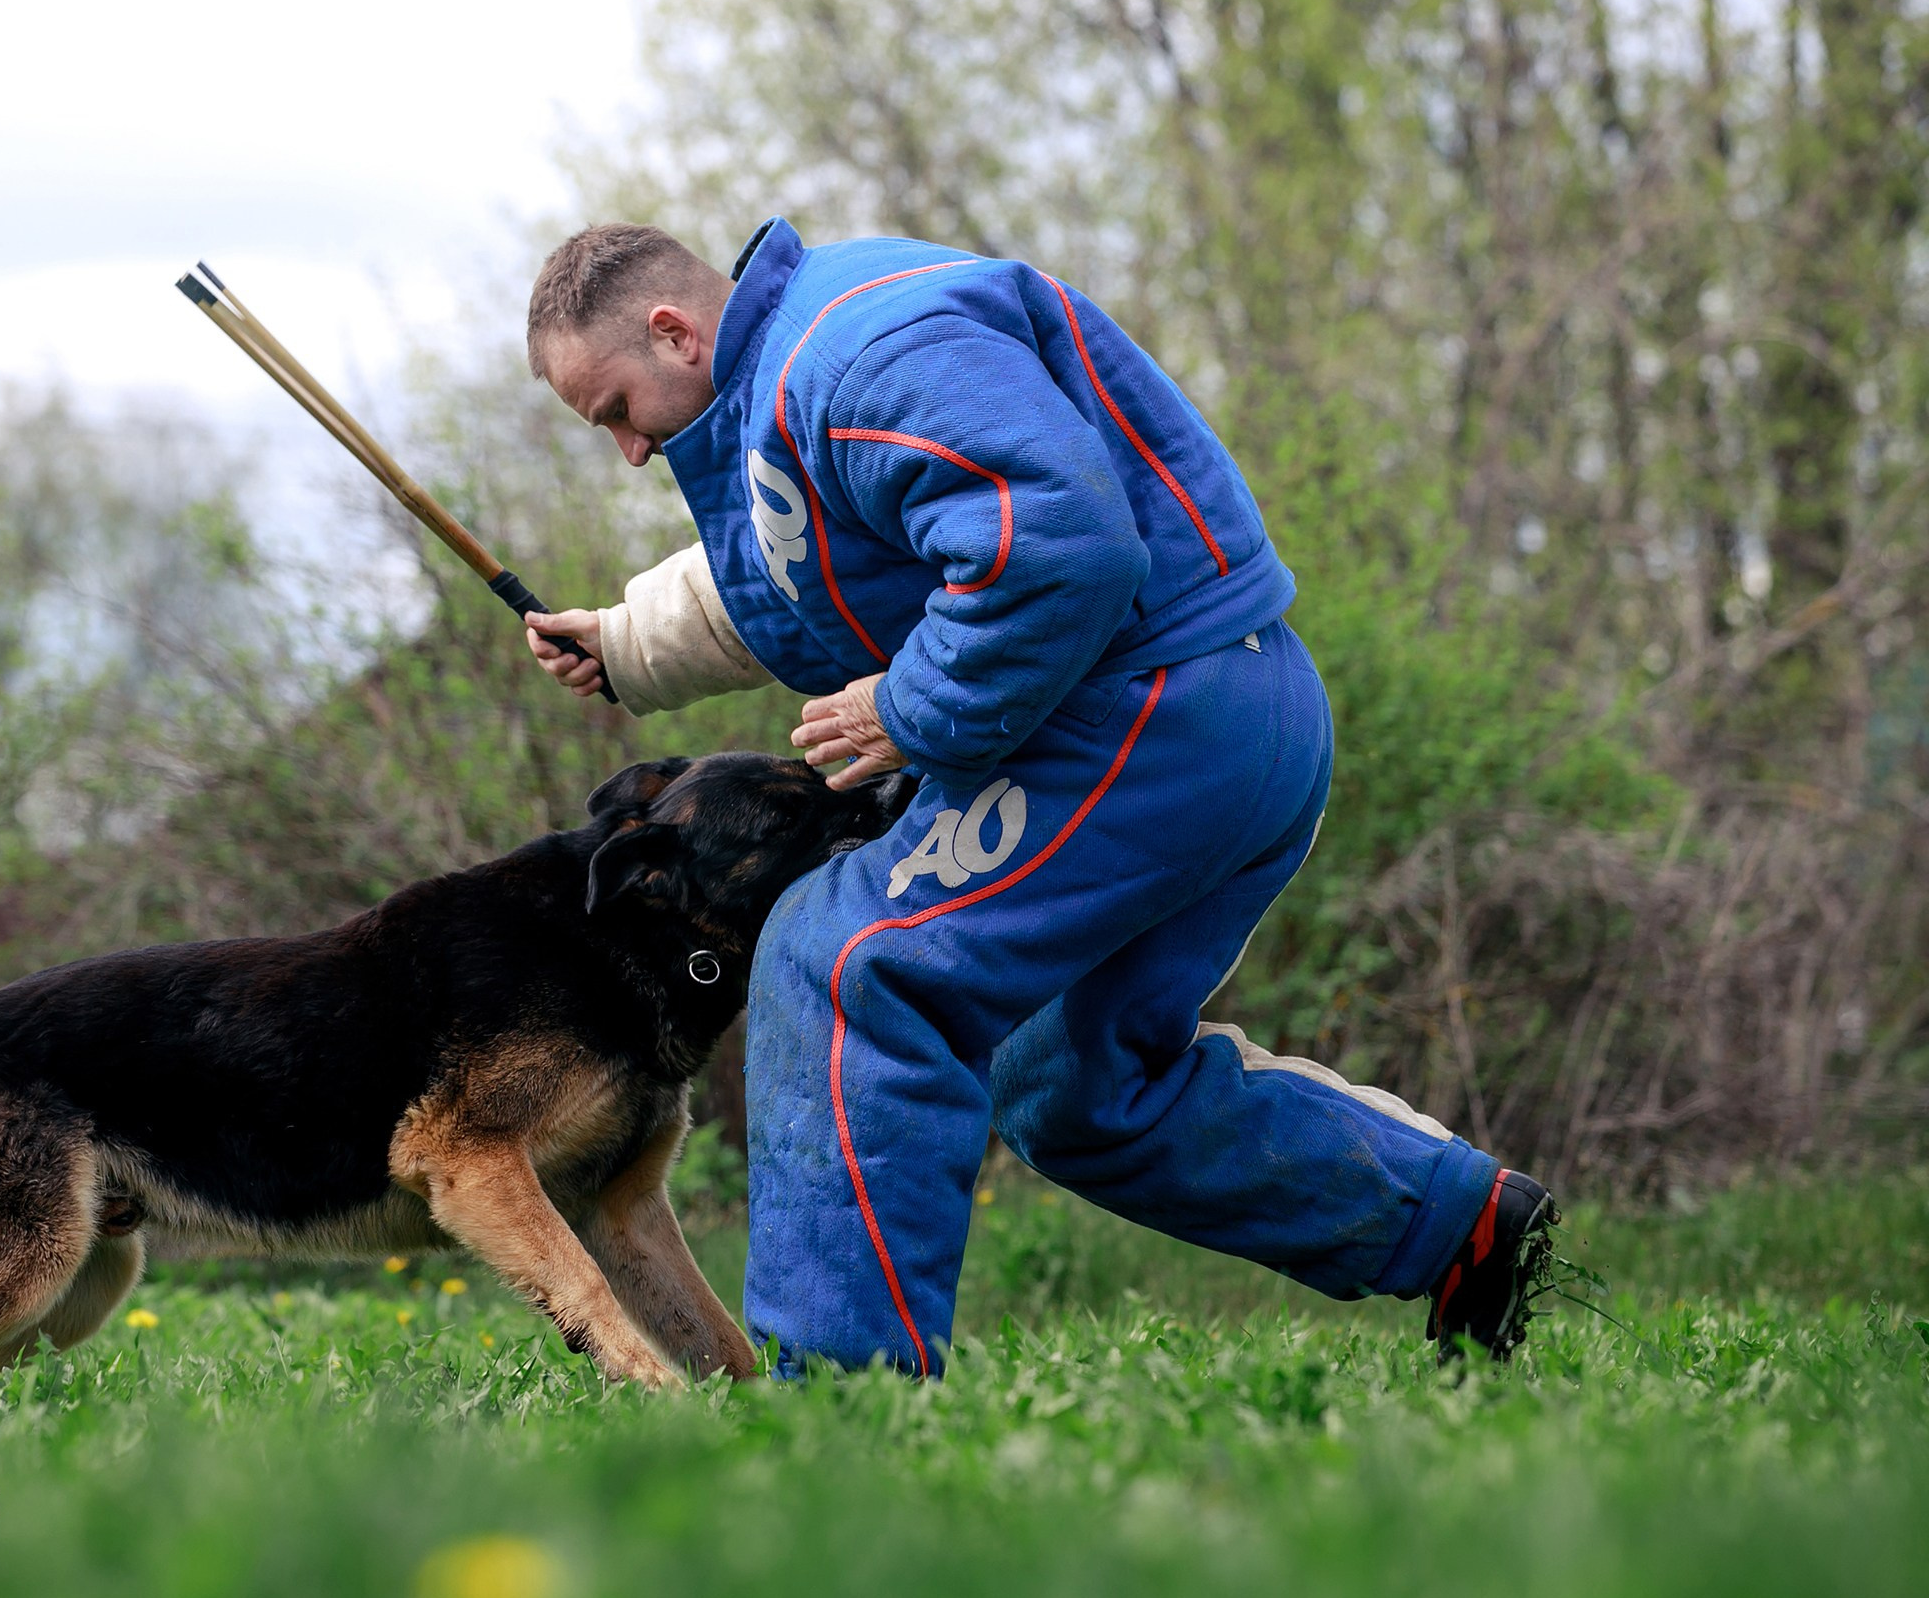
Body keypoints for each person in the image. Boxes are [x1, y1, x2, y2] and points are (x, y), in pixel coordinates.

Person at [520, 219, 1556, 1377]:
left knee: (846, 961)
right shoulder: (800, 371)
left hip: (1149, 712)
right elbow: (805, 560)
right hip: (1225, 705)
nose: (626, 449)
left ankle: (838, 1415)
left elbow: (1054, 546)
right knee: (1074, 1084)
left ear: (671, 331)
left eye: (613, 408)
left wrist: (903, 712)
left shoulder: (858, 356)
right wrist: (620, 644)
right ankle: (1456, 1228)